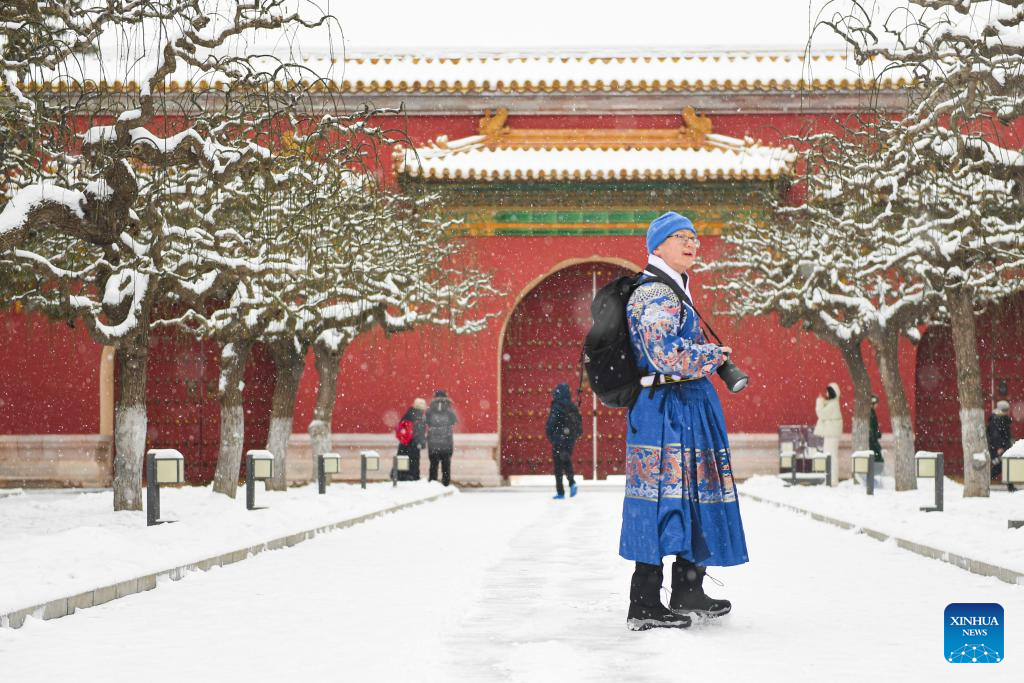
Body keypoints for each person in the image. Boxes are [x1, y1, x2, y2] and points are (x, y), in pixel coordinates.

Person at [621, 211, 747, 631]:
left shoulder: (675, 290)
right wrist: (714, 356)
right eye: (679, 237)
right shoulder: (654, 294)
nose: (692, 243)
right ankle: (644, 602)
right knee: (660, 497)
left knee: (691, 493)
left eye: (694, 236)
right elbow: (664, 355)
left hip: (683, 405)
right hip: (664, 409)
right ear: (656, 246)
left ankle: (688, 589)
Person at [545, 383, 582, 500]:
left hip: (558, 440)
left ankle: (560, 492)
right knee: (566, 461)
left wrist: (552, 436)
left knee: (558, 467)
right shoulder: (572, 406)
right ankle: (572, 483)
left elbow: (551, 423)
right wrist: (573, 436)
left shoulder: (557, 406)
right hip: (569, 440)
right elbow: (579, 424)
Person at [426, 389, 458, 486]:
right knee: (446, 466)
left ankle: (433, 482)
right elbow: (454, 421)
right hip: (446, 442)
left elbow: (427, 422)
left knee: (433, 465)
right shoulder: (449, 410)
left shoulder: (430, 410)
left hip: (433, 442)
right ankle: (446, 483)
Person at [814, 382, 843, 486]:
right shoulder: (833, 404)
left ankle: (832, 480)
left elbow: (821, 413)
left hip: (831, 435)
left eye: (827, 391)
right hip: (831, 434)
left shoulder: (833, 405)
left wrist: (819, 401)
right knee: (830, 457)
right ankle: (830, 479)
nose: (826, 393)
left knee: (831, 457)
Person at [396, 398, 427, 481]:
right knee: (414, 460)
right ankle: (413, 476)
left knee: (402, 458)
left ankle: (399, 475)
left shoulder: (408, 413)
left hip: (404, 442)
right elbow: (420, 431)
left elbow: (400, 426)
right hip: (414, 443)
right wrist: (422, 442)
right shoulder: (419, 416)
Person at [988, 400, 1014, 491]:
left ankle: (1010, 487)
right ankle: (986, 481)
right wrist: (999, 447)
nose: (1008, 411)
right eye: (1006, 409)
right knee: (1001, 466)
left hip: (1004, 446)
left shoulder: (1000, 418)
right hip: (1000, 447)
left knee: (1005, 465)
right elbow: (995, 434)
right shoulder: (996, 419)